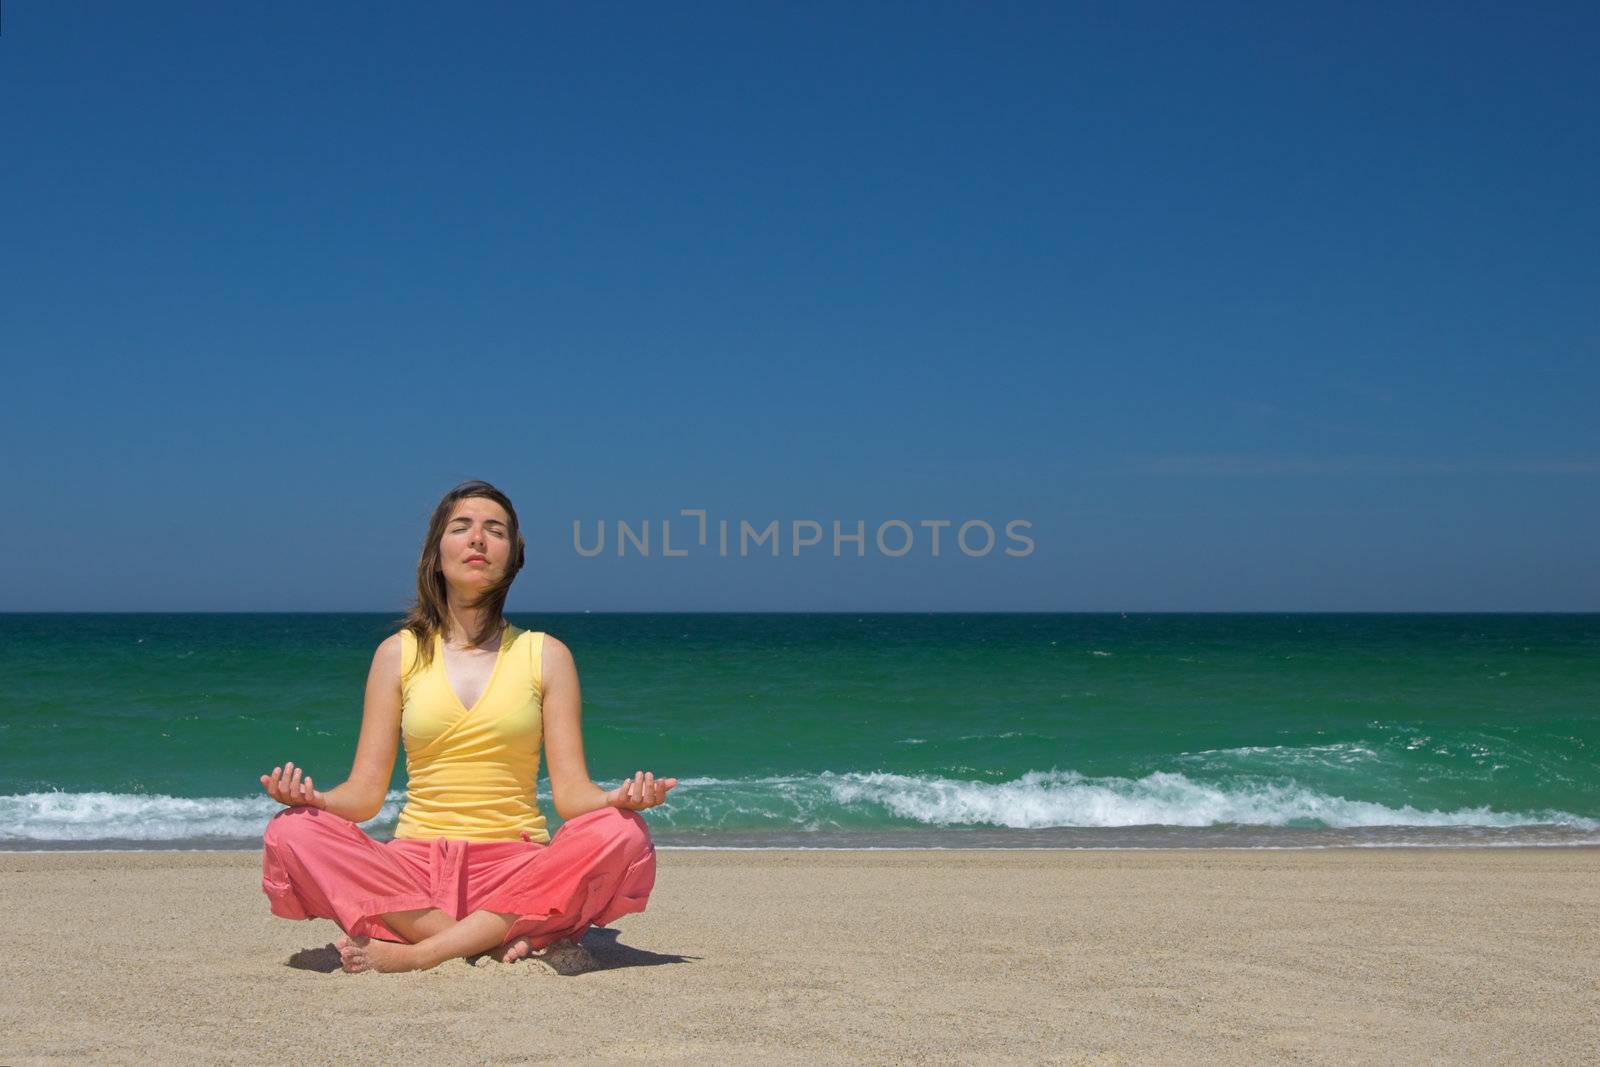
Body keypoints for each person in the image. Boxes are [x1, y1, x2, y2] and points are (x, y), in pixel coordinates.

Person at [258, 479, 678, 973]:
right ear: (437, 553)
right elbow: (365, 795)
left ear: (513, 557)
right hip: (413, 872)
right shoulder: (397, 653)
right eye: (462, 527)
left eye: (494, 530)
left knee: (620, 832)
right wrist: (316, 802)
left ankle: (424, 951)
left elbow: (571, 796)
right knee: (293, 832)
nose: (478, 538)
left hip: (515, 868)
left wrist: (618, 800)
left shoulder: (546, 655)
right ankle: (493, 939)